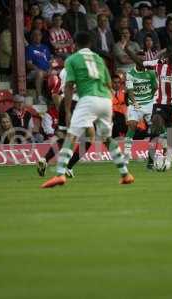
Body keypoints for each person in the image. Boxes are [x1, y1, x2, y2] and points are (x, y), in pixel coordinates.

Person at [41, 32, 134, 188]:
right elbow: (109, 84)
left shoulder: (72, 60)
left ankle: (60, 175)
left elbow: (69, 86)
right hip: (105, 99)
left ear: (75, 45)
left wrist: (68, 110)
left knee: (71, 136)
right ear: (90, 44)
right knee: (107, 139)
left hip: (87, 100)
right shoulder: (98, 59)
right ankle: (126, 174)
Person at [38, 68, 92, 178]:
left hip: (64, 103)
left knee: (63, 138)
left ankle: (45, 159)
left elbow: (55, 93)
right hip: (77, 104)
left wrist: (62, 110)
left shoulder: (64, 71)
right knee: (88, 137)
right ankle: (66, 167)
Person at [124, 51, 157, 162]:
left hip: (149, 103)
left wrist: (151, 100)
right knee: (132, 125)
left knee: (156, 128)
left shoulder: (151, 73)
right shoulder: (130, 73)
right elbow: (130, 90)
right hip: (135, 103)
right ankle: (127, 153)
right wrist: (135, 102)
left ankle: (157, 152)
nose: (142, 62)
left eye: (144, 60)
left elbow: (155, 87)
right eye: (140, 60)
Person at [25, 29, 52, 104]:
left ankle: (54, 97)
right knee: (39, 73)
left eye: (39, 35)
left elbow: (50, 62)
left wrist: (50, 69)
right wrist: (38, 69)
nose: (37, 37)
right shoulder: (29, 48)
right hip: (33, 72)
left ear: (41, 36)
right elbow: (29, 64)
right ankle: (39, 97)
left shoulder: (45, 47)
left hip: (46, 71)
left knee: (61, 72)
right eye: (35, 35)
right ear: (32, 37)